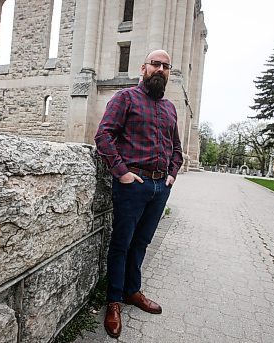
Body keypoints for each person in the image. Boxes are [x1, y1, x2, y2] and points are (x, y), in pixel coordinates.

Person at [94, 49, 183, 338]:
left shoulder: (170, 108)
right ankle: (114, 301)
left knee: (141, 243)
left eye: (165, 66)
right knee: (121, 244)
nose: (160, 69)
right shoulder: (125, 98)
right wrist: (122, 173)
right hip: (133, 185)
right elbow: (104, 135)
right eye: (155, 64)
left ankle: (133, 291)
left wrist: (171, 174)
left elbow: (177, 149)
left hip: (160, 189)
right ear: (143, 68)